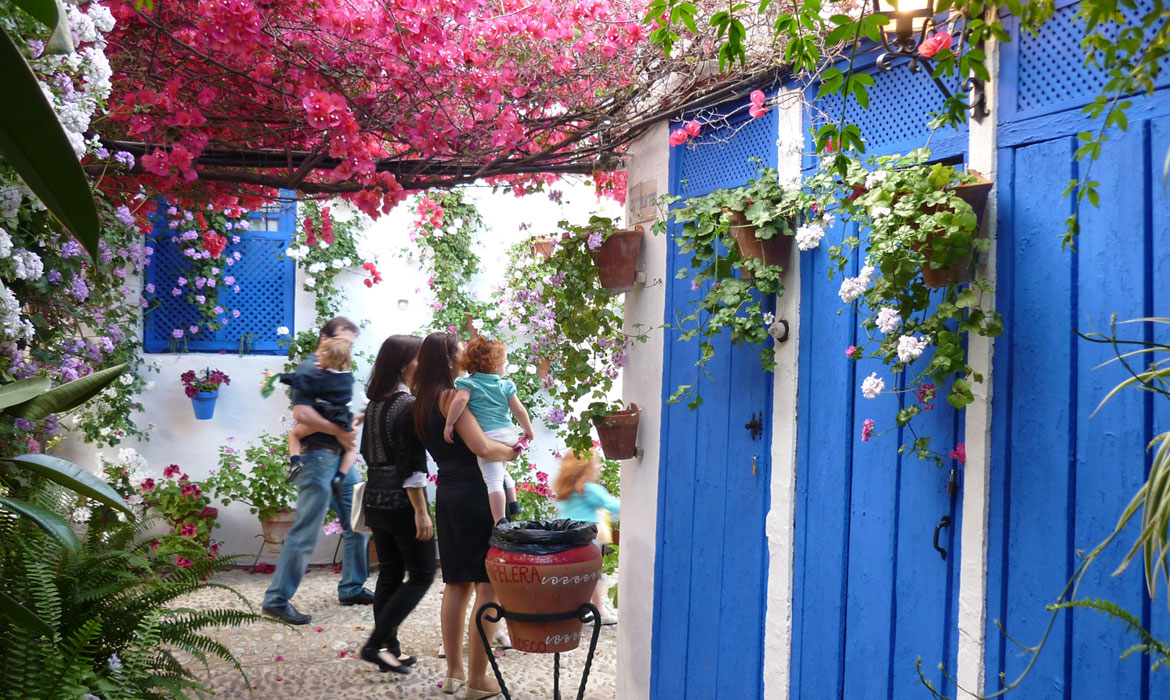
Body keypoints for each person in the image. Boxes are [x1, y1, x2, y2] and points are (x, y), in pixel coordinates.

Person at [415, 331, 516, 699]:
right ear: (447, 359)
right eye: (459, 352)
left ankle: (454, 673)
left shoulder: (421, 401)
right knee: (488, 585)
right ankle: (477, 679)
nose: (465, 356)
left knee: (456, 584)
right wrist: (514, 450)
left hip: (450, 494)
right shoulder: (450, 397)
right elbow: (482, 446)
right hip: (479, 494)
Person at [261, 317, 373, 625]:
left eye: (351, 344)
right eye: (343, 341)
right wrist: (339, 432)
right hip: (318, 457)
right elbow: (301, 413)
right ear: (324, 337)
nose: (347, 349)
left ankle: (351, 587)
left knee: (358, 520)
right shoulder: (311, 370)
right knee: (306, 530)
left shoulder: (337, 371)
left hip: (338, 457)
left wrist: (358, 418)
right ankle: (276, 600)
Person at [357, 334, 434, 675]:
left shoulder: (374, 405)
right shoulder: (407, 405)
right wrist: (421, 510)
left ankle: (390, 651)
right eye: (420, 359)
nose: (424, 365)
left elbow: (367, 453)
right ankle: (375, 644)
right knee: (421, 574)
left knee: (389, 572)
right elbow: (412, 465)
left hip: (375, 498)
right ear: (406, 366)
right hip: (402, 502)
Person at [443, 334, 534, 525]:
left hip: (489, 436)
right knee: (502, 470)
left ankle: (499, 519)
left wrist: (450, 423)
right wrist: (528, 430)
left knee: (492, 480)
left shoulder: (468, 384)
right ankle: (513, 502)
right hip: (508, 434)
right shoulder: (505, 385)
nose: (504, 367)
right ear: (495, 364)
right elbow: (518, 409)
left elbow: (459, 401)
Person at [273, 335, 357, 501]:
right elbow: (335, 376)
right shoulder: (348, 377)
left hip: (324, 412)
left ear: (327, 359)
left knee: (295, 435)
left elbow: (301, 380)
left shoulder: (322, 378)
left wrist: (278, 377)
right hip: (342, 416)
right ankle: (340, 477)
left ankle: (295, 462)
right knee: (351, 448)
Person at [554, 448, 620, 625]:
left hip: (566, 538)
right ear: (586, 468)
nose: (601, 467)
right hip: (586, 540)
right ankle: (599, 609)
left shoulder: (566, 489)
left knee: (575, 576)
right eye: (597, 463)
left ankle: (575, 610)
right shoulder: (589, 489)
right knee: (594, 574)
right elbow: (613, 505)